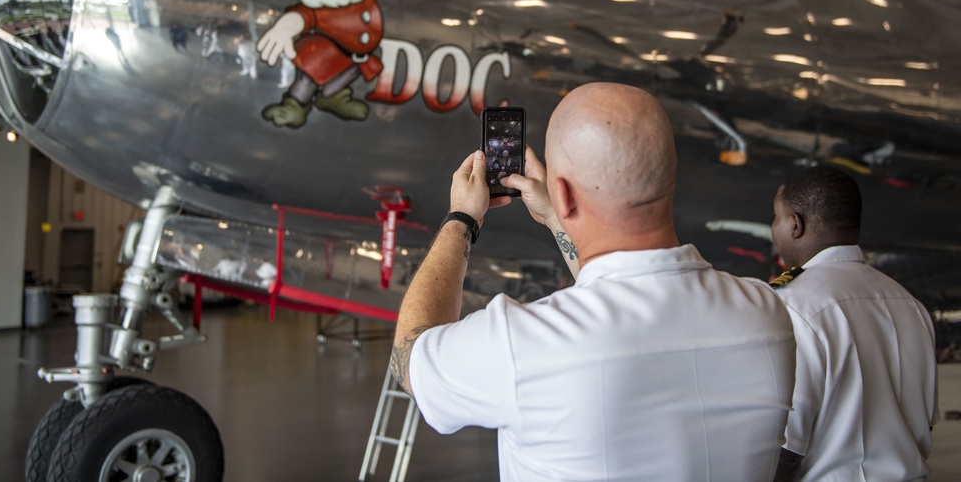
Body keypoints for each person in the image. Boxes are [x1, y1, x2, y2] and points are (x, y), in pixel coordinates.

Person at [391, 83, 796, 481]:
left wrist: (461, 218)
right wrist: (557, 216)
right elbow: (621, 295)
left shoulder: (523, 344)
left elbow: (411, 359)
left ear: (562, 192)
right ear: (667, 178)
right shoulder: (768, 312)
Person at [769, 166, 939, 482]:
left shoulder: (789, 305)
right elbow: (924, 421)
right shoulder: (908, 303)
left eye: (776, 218)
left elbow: (787, 449)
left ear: (795, 224)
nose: (773, 230)